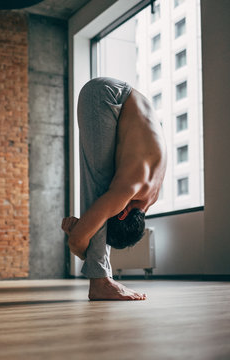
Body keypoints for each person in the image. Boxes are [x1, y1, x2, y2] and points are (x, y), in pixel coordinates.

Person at [62, 77, 166, 301]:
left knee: (103, 194)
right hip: (107, 96)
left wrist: (87, 232)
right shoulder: (129, 188)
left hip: (119, 98)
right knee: (99, 187)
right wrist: (82, 240)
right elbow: (76, 241)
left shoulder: (149, 197)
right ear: (124, 212)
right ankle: (100, 282)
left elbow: (105, 220)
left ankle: (101, 278)